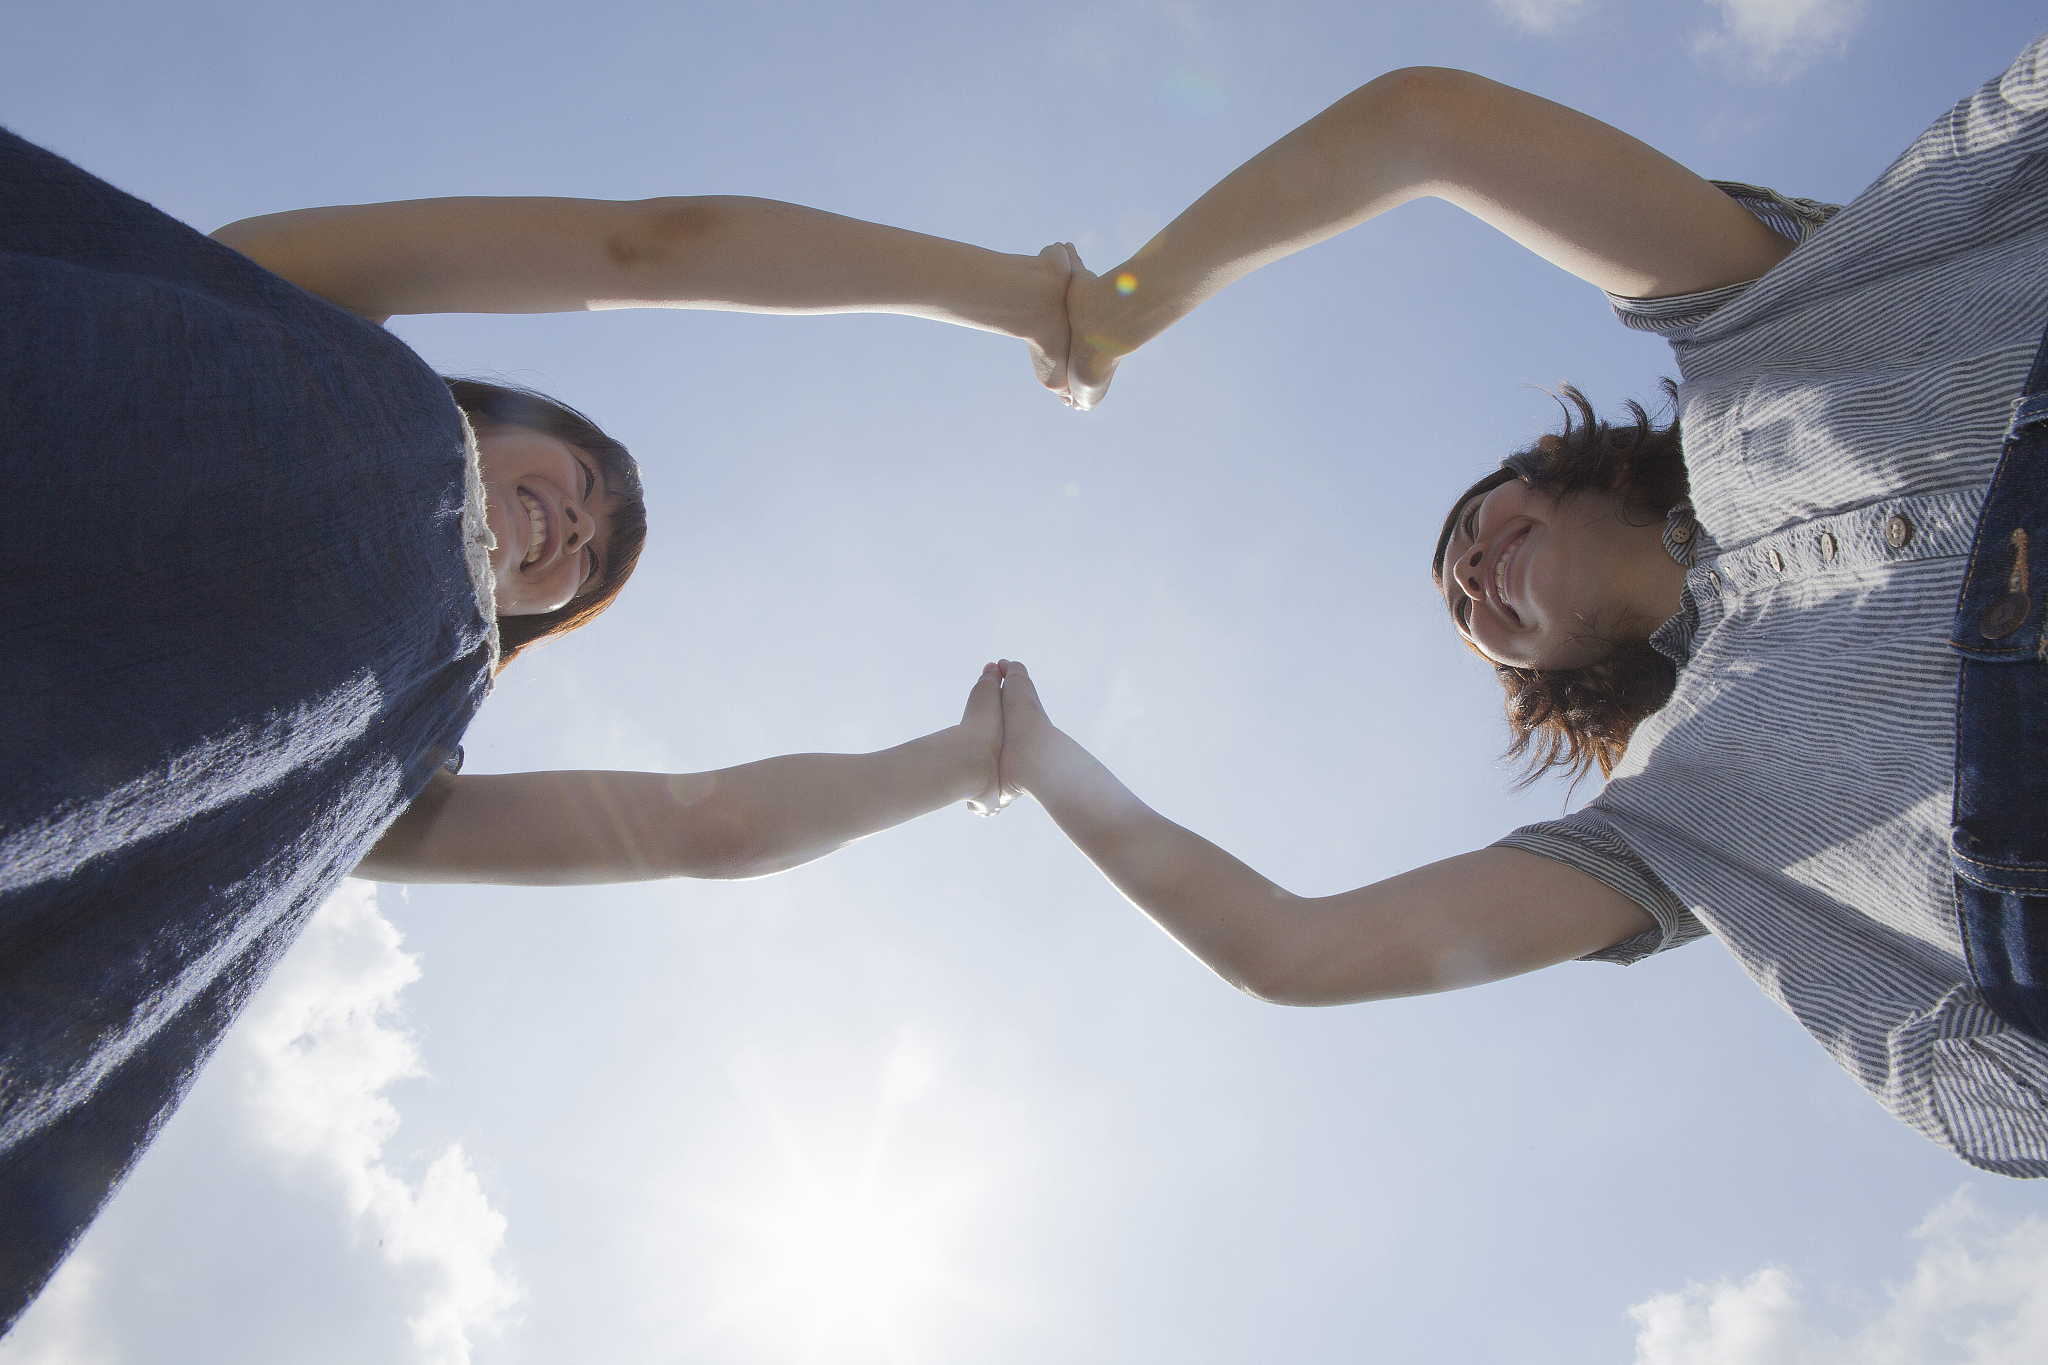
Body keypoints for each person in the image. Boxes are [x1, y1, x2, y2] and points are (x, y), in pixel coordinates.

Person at [0, 127, 1070, 1327]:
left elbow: (707, 827)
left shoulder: (398, 752)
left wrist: (963, 761)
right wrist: (1017, 296)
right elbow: (654, 245)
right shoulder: (296, 313)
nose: (576, 525)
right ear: (498, 414)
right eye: (580, 475)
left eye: (593, 559)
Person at [1001, 36, 2048, 1176]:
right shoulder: (1675, 816)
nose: (1468, 577)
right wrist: (1034, 762)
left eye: (1467, 532)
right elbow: (1288, 951)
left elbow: (1424, 122)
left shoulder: (1746, 329)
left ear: (1548, 464)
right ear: (1538, 671)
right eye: (1464, 609)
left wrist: (1120, 304)